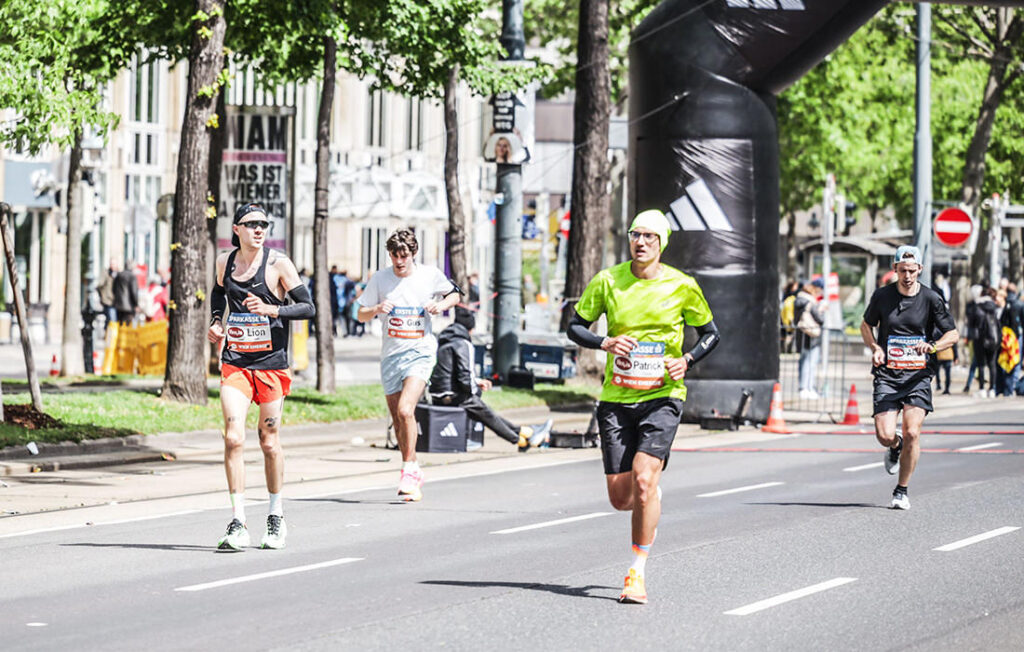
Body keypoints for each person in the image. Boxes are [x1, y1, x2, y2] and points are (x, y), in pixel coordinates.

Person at [566, 209, 720, 605]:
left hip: (663, 395)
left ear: (662, 243)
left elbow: (711, 334)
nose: (641, 241)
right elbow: (575, 326)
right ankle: (648, 498)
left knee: (644, 479)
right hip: (617, 398)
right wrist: (604, 342)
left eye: (650, 236)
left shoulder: (682, 286)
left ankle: (636, 572)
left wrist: (686, 360)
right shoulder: (608, 281)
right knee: (622, 498)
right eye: (636, 234)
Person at [207, 202, 315, 551]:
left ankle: (275, 515)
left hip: (271, 364)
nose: (259, 229)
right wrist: (216, 321)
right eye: (251, 224)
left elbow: (307, 306)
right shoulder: (225, 261)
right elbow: (218, 292)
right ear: (236, 229)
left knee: (268, 441)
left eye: (264, 224)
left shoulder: (278, 264)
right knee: (233, 438)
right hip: (236, 362)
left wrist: (273, 309)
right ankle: (238, 521)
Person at [357, 228, 461, 502]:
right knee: (398, 419)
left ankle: (410, 469)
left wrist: (441, 306)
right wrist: (377, 308)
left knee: (406, 409)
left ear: (413, 254)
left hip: (421, 352)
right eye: (394, 255)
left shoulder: (429, 275)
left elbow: (455, 295)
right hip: (391, 355)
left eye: (404, 255)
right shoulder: (380, 278)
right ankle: (410, 468)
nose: (399, 261)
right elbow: (359, 314)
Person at [860, 245, 958, 511]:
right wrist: (875, 348)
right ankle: (895, 446)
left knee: (913, 431)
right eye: (902, 270)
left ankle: (901, 490)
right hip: (888, 375)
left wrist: (934, 346)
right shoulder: (882, 296)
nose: (907, 276)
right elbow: (866, 325)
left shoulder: (931, 298)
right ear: (894, 269)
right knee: (884, 434)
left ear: (920, 270)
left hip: (918, 375)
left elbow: (953, 334)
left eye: (912, 271)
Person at [429, 309, 552, 451]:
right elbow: (465, 377)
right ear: (470, 329)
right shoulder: (463, 344)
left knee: (483, 410)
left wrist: (477, 381)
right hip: (453, 396)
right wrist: (475, 390)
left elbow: (451, 373)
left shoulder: (445, 341)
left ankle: (524, 432)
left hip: (438, 395)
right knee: (485, 412)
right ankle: (521, 440)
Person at [794, 278, 826, 400]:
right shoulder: (809, 302)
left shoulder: (798, 300)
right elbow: (820, 319)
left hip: (802, 336)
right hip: (811, 337)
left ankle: (804, 388)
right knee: (810, 363)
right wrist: (821, 310)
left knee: (804, 363)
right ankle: (807, 387)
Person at [112, 260, 139, 325]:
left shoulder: (119, 275)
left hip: (118, 305)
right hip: (129, 306)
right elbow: (134, 292)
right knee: (127, 327)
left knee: (120, 324)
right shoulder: (132, 276)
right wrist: (136, 304)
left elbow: (113, 289)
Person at [98, 262, 116, 331]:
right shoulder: (106, 273)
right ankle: (109, 336)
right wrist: (103, 296)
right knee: (111, 320)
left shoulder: (117, 274)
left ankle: (109, 335)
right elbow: (100, 285)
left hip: (114, 301)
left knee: (110, 320)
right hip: (108, 300)